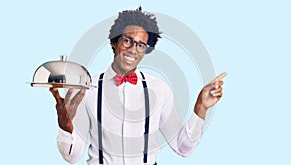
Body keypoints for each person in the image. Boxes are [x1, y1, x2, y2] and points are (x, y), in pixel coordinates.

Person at [50, 7, 226, 165]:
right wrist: (65, 122)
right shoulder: (87, 90)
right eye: (127, 41)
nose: (133, 50)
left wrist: (200, 108)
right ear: (114, 42)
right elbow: (71, 156)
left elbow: (183, 148)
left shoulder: (159, 88)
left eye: (141, 45)